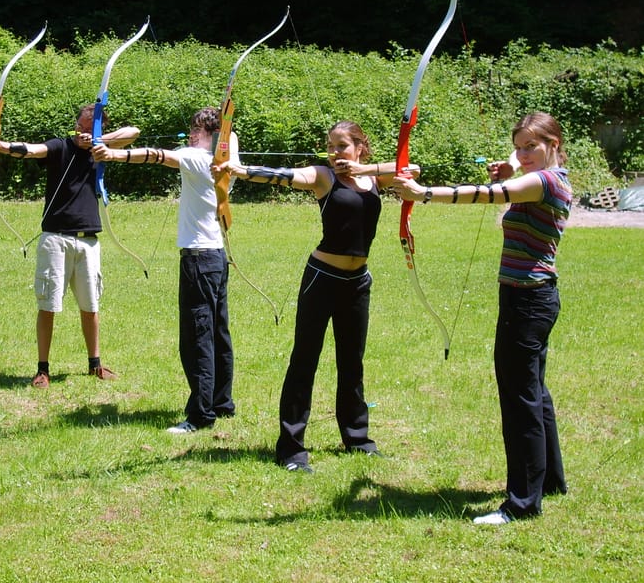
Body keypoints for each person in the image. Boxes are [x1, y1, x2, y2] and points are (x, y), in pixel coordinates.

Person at [393, 111, 571, 525]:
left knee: (519, 398)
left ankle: (522, 504)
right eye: (520, 145)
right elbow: (513, 176)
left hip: (526, 303)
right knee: (534, 392)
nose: (525, 153)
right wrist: (514, 162)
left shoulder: (543, 182)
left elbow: (489, 195)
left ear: (554, 145)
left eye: (533, 147)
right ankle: (550, 481)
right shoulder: (552, 176)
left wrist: (422, 194)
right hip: (534, 299)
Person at [215, 120, 401, 473]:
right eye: (330, 146)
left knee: (352, 362)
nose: (334, 153)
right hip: (322, 278)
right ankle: (291, 448)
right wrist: (239, 169)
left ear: (360, 146)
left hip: (357, 282)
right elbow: (283, 175)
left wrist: (364, 169)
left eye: (342, 146)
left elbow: (410, 169)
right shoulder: (323, 177)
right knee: (305, 360)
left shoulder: (373, 178)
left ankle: (357, 438)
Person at [92, 106, 239, 434]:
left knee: (196, 338)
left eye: (197, 130)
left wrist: (113, 157)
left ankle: (201, 415)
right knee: (217, 333)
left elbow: (157, 155)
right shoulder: (227, 160)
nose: (191, 135)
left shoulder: (201, 158)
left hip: (200, 260)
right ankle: (221, 402)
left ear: (211, 135)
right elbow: (228, 140)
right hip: (215, 257)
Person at [0, 103, 139, 388]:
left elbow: (134, 132)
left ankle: (95, 364)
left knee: (91, 306)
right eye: (79, 126)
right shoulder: (60, 146)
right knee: (49, 305)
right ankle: (43, 369)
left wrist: (100, 140)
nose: (81, 132)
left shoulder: (100, 151)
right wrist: (1, 146)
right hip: (56, 239)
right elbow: (31, 150)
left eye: (88, 127)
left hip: (88, 241)